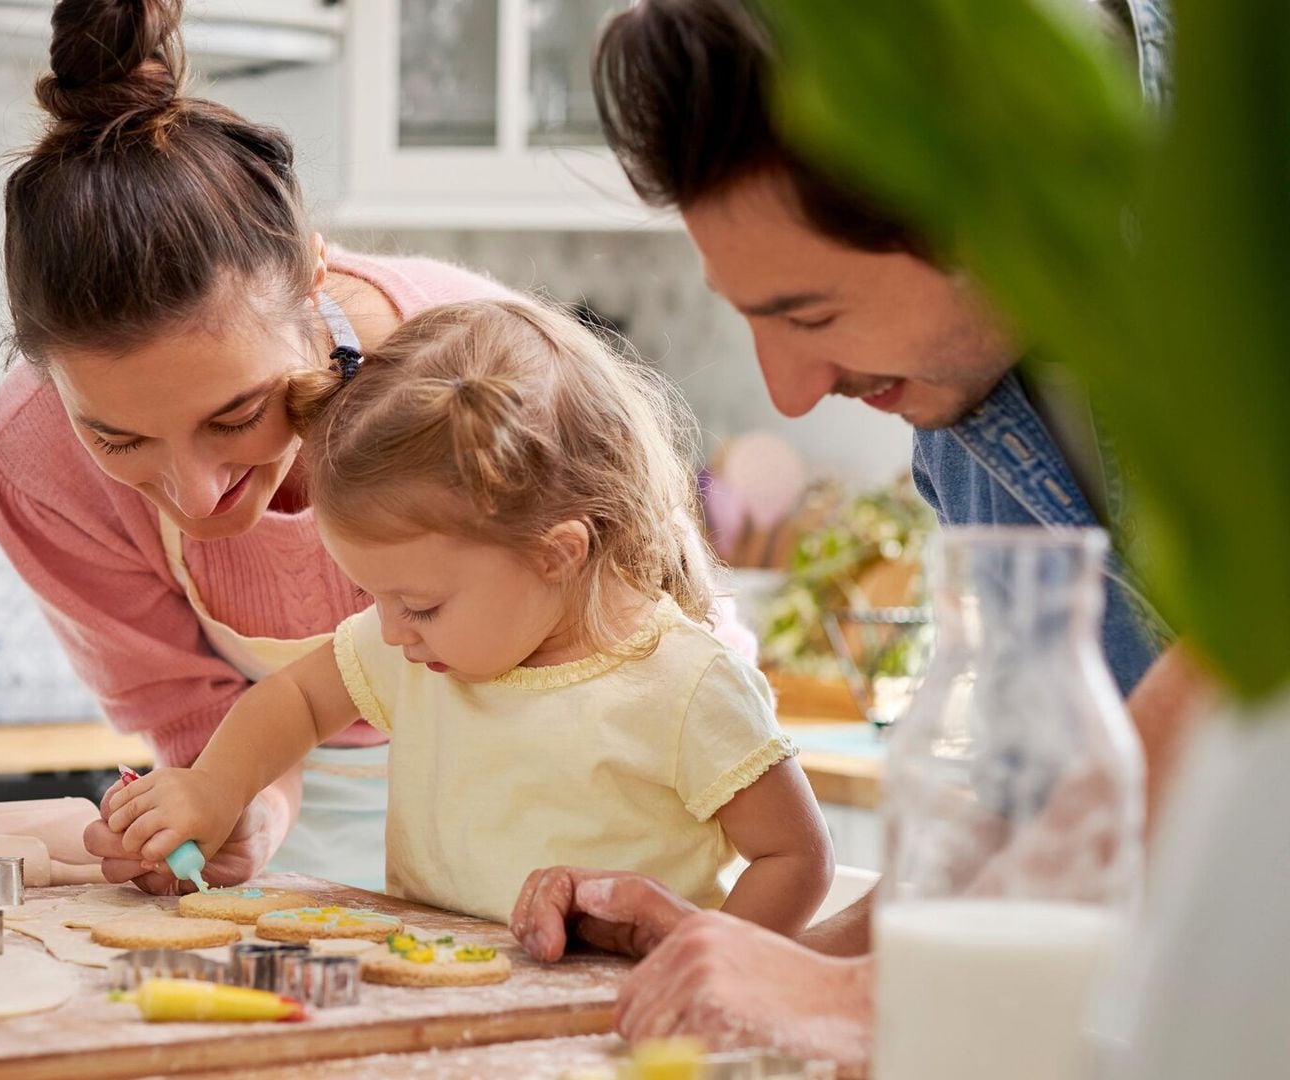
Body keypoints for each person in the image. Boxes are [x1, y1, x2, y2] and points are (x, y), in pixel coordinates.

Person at [510, 0, 1210, 1066]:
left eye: (811, 313)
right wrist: (797, 961)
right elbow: (1053, 803)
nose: (789, 393)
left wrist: (875, 998)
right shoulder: (967, 381)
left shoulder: (1243, 181)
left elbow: (1251, 661)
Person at [106, 299, 833, 930]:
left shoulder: (684, 686)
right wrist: (215, 786)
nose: (390, 630)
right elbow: (293, 699)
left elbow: (796, 855)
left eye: (418, 605)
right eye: (374, 599)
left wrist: (710, 959)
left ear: (557, 553)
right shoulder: (419, 652)